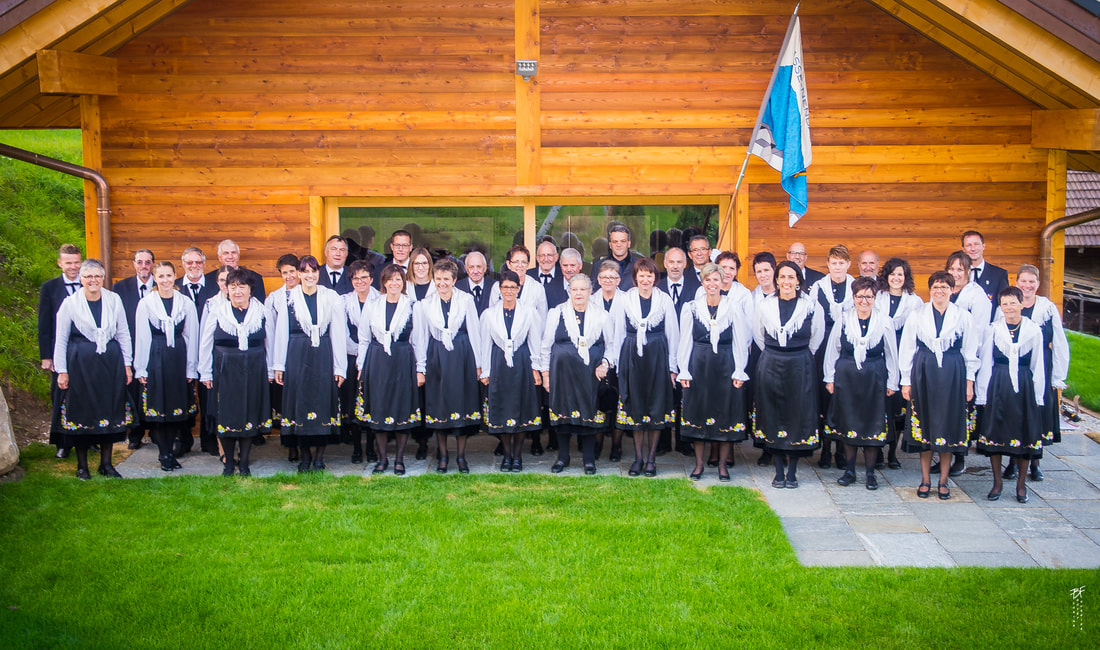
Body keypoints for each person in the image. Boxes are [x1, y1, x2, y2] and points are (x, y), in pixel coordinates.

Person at [899, 271, 980, 501]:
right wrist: (906, 381)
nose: (940, 291)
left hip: (953, 374)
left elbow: (970, 351)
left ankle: (943, 480)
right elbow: (907, 348)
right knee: (925, 426)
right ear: (930, 290)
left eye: (945, 287)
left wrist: (969, 382)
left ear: (952, 290)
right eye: (935, 287)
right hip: (924, 372)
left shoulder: (963, 317)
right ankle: (925, 479)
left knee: (947, 427)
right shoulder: (918, 314)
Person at [53, 259, 135, 480]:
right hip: (80, 366)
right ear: (81, 278)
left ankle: (106, 465)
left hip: (110, 365)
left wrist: (127, 364)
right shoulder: (70, 304)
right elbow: (60, 340)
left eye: (97, 276)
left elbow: (123, 333)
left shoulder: (114, 299)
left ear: (103, 278)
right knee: (83, 412)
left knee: (108, 410)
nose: (93, 280)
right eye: (88, 276)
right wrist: (62, 370)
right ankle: (82, 467)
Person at [752, 260, 825, 489]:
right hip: (771, 362)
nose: (786, 281)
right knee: (773, 412)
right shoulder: (765, 305)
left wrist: (797, 353)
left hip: (799, 363)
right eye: (782, 277)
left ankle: (792, 471)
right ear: (776, 280)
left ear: (798, 281)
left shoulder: (812, 306)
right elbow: (758, 335)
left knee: (797, 414)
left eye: (791, 277)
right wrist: (776, 352)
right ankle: (778, 470)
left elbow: (817, 337)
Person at [823, 277, 899, 490]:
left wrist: (893, 381)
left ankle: (870, 473)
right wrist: (829, 377)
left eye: (868, 296)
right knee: (849, 423)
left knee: (871, 424)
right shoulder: (844, 319)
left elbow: (891, 353)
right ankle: (849, 471)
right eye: (859, 296)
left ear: (874, 298)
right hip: (847, 378)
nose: (863, 301)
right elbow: (833, 350)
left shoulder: (884, 321)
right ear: (853, 297)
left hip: (874, 378)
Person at [272, 256, 347, 473]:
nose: (310, 275)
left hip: (323, 355)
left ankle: (319, 458)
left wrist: (339, 367)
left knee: (322, 403)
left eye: (313, 271)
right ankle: (304, 457)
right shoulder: (288, 298)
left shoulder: (331, 297)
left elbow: (339, 333)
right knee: (300, 404)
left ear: (318, 273)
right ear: (299, 274)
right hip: (296, 356)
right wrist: (279, 365)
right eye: (305, 271)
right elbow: (281, 332)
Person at [677, 263, 749, 481]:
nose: (712, 284)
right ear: (702, 282)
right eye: (708, 280)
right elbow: (685, 341)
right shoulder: (691, 307)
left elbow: (740, 341)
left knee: (724, 413)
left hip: (725, 365)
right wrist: (683, 370)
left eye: (716, 279)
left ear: (722, 281)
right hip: (699, 364)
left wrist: (739, 370)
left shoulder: (733, 307)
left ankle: (722, 466)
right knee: (698, 412)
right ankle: (699, 465)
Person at [538, 274, 616, 474]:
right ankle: (563, 457)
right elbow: (545, 346)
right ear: (569, 291)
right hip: (561, 375)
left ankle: (589, 459)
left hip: (590, 376)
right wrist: (546, 375)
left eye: (583, 289)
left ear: (590, 291)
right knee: (563, 417)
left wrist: (605, 364)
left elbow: (612, 346)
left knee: (588, 415)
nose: (579, 293)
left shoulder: (602, 315)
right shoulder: (557, 313)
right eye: (575, 289)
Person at [608, 258, 679, 477]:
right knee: (636, 406)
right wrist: (618, 364)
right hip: (632, 357)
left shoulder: (664, 300)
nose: (645, 279)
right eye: (642, 275)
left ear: (655, 278)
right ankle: (638, 458)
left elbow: (673, 334)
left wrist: (673, 367)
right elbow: (617, 332)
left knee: (655, 406)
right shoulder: (625, 299)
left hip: (657, 356)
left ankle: (651, 460)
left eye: (649, 275)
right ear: (635, 277)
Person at [198, 268, 273, 476]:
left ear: (250, 289)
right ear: (227, 289)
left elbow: (271, 342)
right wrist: (205, 372)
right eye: (233, 287)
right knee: (227, 416)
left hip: (254, 370)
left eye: (242, 286)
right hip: (225, 372)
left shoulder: (262, 311)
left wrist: (272, 369)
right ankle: (229, 463)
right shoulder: (217, 311)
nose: (237, 291)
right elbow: (205, 343)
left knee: (249, 413)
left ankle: (245, 462)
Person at [975, 287, 1046, 503]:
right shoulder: (994, 329)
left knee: (1023, 435)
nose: (1009, 308)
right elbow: (986, 362)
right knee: (997, 433)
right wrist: (983, 394)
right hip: (999, 383)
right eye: (1004, 304)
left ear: (1021, 304)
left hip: (1023, 386)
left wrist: (1037, 394)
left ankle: (1021, 485)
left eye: (1013, 303)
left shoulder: (1033, 330)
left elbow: (1038, 365)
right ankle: (997, 482)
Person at [414, 259, 484, 473]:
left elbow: (474, 332)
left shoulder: (466, 301)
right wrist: (421, 368)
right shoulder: (423, 305)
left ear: (454, 280)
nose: (442, 283)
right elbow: (420, 338)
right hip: (436, 357)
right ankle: (443, 456)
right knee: (439, 405)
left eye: (446, 279)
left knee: (462, 405)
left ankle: (461, 457)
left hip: (462, 356)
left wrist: (479, 364)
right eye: (438, 279)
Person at [1001, 264, 1069, 482]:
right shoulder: (1008, 305)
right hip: (1014, 366)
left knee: (1036, 413)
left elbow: (1059, 341)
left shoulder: (1047, 309)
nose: (1027, 285)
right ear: (1016, 282)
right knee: (1015, 413)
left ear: (1038, 284)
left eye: (1032, 282)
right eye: (1023, 281)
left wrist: (1057, 375)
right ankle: (1012, 461)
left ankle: (1035, 462)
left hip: (1041, 367)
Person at [357, 264, 423, 476]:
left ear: (403, 283)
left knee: (401, 409)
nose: (394, 283)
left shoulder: (413, 306)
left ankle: (400, 460)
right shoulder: (372, 305)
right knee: (379, 408)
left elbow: (419, 341)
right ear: (384, 282)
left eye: (398, 280)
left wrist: (420, 369)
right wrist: (360, 366)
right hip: (377, 361)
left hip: (403, 360)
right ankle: (383, 459)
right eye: (390, 280)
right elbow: (364, 338)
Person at [133, 261, 199, 472]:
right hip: (156, 356)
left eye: (169, 276)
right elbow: (142, 337)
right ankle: (163, 454)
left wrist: (191, 367)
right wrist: (141, 368)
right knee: (159, 409)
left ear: (174, 276)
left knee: (174, 410)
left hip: (178, 357)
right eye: (160, 276)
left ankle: (170, 451)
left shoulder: (185, 303)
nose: (165, 280)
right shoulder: (146, 303)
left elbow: (192, 336)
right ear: (155, 278)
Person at [479, 269, 543, 472]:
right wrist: (486, 371)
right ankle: (507, 455)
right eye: (505, 287)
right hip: (499, 364)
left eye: (512, 287)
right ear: (499, 289)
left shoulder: (529, 312)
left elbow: (535, 341)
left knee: (520, 407)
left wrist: (536, 368)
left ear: (518, 288)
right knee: (502, 407)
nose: (508, 290)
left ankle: (518, 456)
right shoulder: (489, 314)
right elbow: (485, 345)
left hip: (522, 363)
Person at [939, 249, 993, 476]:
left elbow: (978, 334)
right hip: (945, 359)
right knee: (945, 409)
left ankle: (960, 458)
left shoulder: (976, 296)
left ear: (969, 271)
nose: (955, 273)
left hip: (965, 360)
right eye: (951, 269)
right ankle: (943, 454)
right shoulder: (945, 291)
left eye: (960, 269)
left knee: (962, 410)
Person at [808, 245, 854, 470]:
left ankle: (843, 450)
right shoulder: (818, 288)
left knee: (844, 398)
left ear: (848, 264)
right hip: (824, 345)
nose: (837, 267)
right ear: (828, 264)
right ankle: (826, 449)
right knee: (826, 398)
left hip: (848, 348)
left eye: (841, 263)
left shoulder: (856, 287)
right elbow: (815, 320)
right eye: (834, 263)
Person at [875, 257, 923, 470]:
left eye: (900, 274)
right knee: (878, 406)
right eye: (892, 274)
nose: (896, 278)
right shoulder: (877, 297)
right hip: (880, 358)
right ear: (886, 276)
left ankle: (892, 453)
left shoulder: (915, 301)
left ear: (906, 278)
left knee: (896, 408)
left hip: (903, 358)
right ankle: (876, 451)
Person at [39, 243, 83, 459]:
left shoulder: (88, 284)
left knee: (85, 391)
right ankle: (63, 442)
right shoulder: (50, 287)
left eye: (76, 262)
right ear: (60, 263)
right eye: (69, 263)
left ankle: (87, 437)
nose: (73, 267)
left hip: (85, 350)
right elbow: (44, 323)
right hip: (60, 349)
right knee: (61, 395)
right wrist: (46, 356)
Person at [113, 249, 155, 450]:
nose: (144, 266)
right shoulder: (121, 287)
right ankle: (135, 434)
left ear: (153, 264)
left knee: (155, 390)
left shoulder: (162, 284)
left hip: (155, 348)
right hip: (130, 344)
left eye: (147, 262)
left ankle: (156, 431)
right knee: (133, 391)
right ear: (134, 264)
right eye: (140, 262)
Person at [342, 260, 380, 464]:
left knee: (371, 403)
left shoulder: (380, 300)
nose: (360, 281)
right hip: (351, 359)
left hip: (373, 358)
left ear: (372, 279)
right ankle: (357, 448)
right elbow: (342, 332)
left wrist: (366, 354)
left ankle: (372, 448)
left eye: (364, 277)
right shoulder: (344, 301)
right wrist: (357, 353)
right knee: (353, 404)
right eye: (355, 278)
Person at [264, 254, 300, 462]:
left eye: (292, 271)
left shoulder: (310, 294)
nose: (289, 276)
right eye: (284, 272)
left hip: (302, 355)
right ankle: (290, 445)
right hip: (282, 357)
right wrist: (273, 365)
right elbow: (270, 332)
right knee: (286, 404)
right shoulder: (274, 298)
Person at [591, 259, 626, 459]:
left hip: (621, 359)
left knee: (618, 405)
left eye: (612, 277)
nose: (608, 281)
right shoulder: (592, 299)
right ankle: (597, 445)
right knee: (598, 403)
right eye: (604, 277)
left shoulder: (627, 299)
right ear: (598, 279)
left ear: (619, 279)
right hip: (598, 361)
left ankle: (616, 446)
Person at [749, 251, 778, 467]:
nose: (763, 275)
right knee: (764, 401)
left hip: (785, 353)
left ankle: (784, 444)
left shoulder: (786, 293)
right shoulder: (752, 297)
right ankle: (766, 448)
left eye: (766, 270)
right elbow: (753, 330)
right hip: (761, 353)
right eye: (759, 271)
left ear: (774, 270)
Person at [962, 230, 1009, 314]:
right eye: (969, 245)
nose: (973, 248)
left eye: (976, 244)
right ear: (964, 249)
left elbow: (1004, 305)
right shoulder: (957, 275)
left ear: (983, 246)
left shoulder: (999, 274)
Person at [594, 224, 644, 290]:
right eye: (615, 241)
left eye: (623, 241)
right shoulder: (598, 266)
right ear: (610, 245)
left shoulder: (640, 265)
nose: (619, 245)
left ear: (629, 243)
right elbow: (594, 293)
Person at [657, 246, 698, 318]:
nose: (675, 266)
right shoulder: (657, 289)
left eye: (679, 262)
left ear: (685, 264)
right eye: (671, 262)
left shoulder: (696, 288)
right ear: (665, 264)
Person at [455, 250, 495, 315]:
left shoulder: (494, 287)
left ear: (485, 268)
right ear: (466, 269)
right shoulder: (457, 288)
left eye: (479, 266)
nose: (475, 271)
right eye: (471, 267)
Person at [529, 240, 567, 307]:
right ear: (537, 258)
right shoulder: (528, 276)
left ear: (556, 257)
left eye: (549, 255)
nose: (546, 259)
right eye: (542, 255)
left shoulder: (564, 275)